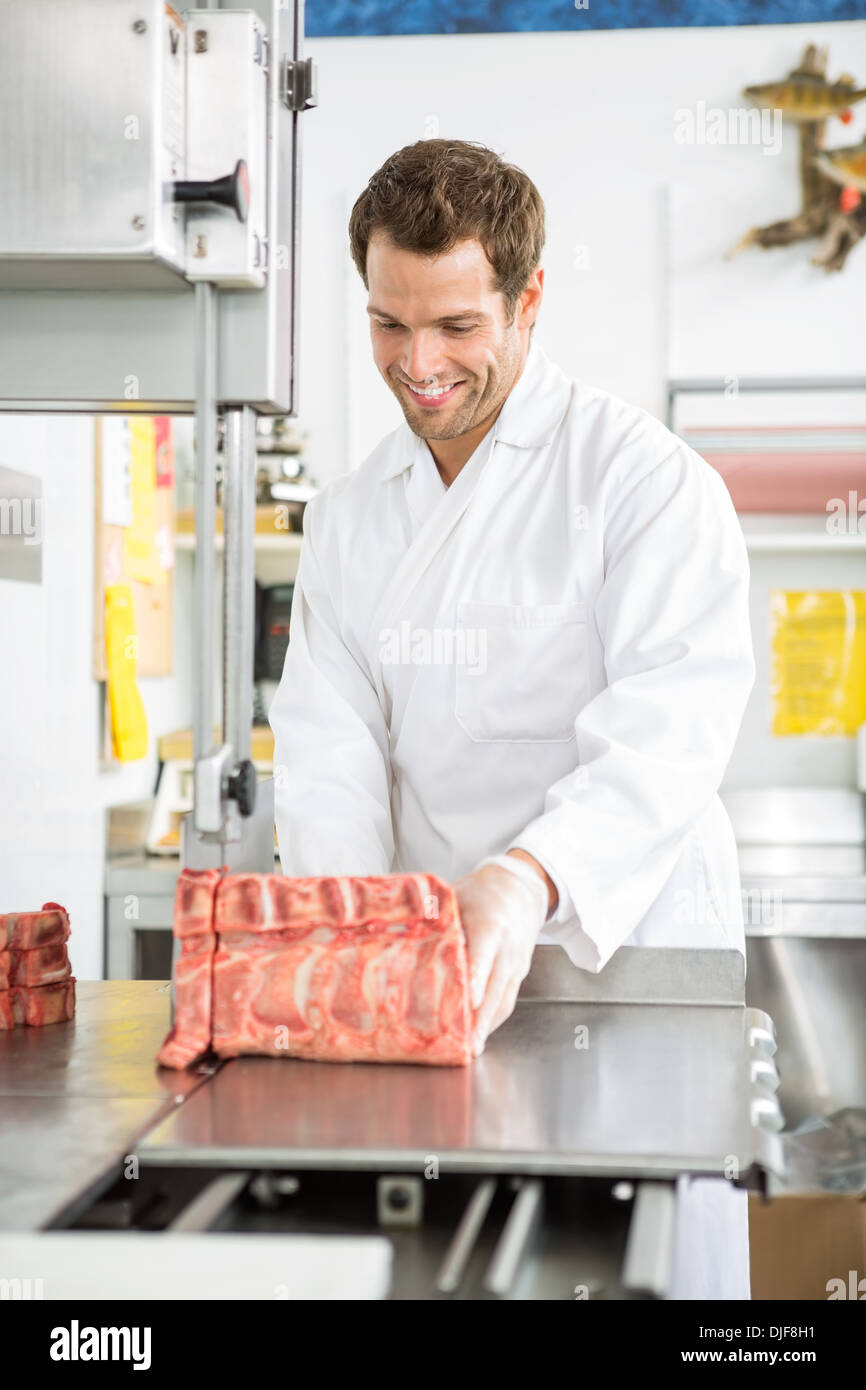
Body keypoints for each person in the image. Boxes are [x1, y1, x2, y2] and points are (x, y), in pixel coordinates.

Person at [269, 140, 755, 1299]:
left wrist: (527, 874)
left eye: (454, 326)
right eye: (388, 325)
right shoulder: (348, 519)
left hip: (619, 973)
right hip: (430, 1003)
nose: (419, 365)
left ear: (528, 300)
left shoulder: (639, 482)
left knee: (637, 1271)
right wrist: (358, 940)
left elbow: (670, 722)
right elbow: (329, 753)